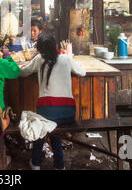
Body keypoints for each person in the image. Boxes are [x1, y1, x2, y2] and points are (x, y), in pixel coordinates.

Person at [19, 34, 86, 170]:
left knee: (42, 127)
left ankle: (36, 163)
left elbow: (23, 73)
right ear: (55, 46)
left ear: (40, 49)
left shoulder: (39, 59)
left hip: (47, 112)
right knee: (53, 128)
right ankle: (59, 165)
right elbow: (82, 72)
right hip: (68, 113)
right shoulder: (66, 59)